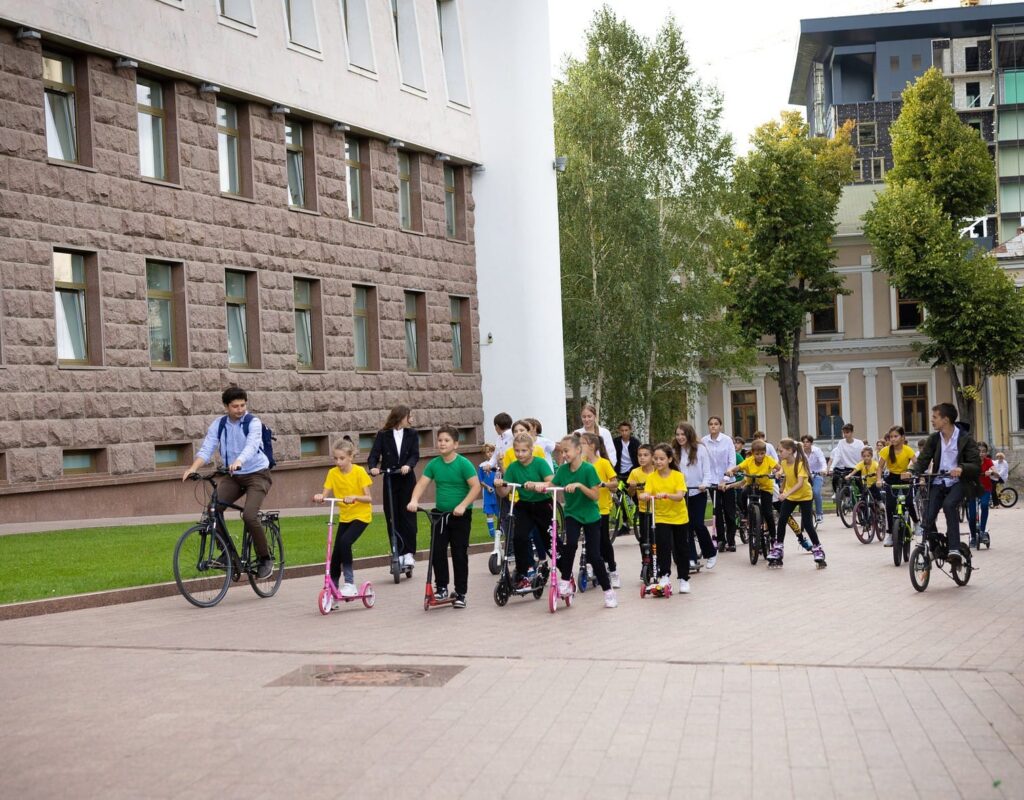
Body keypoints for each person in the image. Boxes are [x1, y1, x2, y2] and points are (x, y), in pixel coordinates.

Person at [183, 386, 274, 579]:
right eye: (235, 406)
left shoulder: (253, 423)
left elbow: (251, 446)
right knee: (213, 510)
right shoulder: (219, 424)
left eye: (242, 405)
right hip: (233, 475)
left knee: (249, 516)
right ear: (226, 406)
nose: (240, 409)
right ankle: (227, 554)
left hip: (257, 474)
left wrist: (239, 461)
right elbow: (207, 448)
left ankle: (265, 558)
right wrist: (193, 468)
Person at [536, 434, 617, 608]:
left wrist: (580, 486)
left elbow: (595, 495)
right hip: (572, 514)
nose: (563, 454)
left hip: (590, 516)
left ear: (578, 450)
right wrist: (539, 486)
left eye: (566, 451)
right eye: (562, 451)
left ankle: (608, 591)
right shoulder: (563, 470)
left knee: (595, 556)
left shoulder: (588, 470)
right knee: (570, 545)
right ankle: (565, 582)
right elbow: (553, 484)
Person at [407, 425, 481, 608]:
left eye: (446, 440)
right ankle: (441, 588)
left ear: (455, 444)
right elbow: (422, 484)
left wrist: (463, 505)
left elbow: (476, 487)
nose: (442, 443)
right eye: (440, 440)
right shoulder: (434, 464)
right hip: (440, 515)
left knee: (459, 553)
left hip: (460, 515)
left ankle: (461, 592)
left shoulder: (463, 464)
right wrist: (414, 500)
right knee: (437, 551)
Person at [902, 403, 981, 565]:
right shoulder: (934, 438)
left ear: (945, 419)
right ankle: (935, 547)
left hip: (958, 482)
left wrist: (961, 468)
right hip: (938, 481)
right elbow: (923, 460)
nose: (932, 420)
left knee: (949, 505)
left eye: (935, 417)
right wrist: (912, 472)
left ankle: (954, 548)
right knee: (927, 517)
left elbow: (976, 464)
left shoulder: (965, 438)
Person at [313, 438, 372, 600]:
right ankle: (331, 589)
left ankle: (350, 583)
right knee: (336, 554)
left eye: (342, 458)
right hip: (345, 517)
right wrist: (320, 496)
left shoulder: (359, 472)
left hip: (361, 516)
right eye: (335, 458)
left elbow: (369, 498)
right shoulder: (332, 473)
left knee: (345, 542)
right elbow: (325, 493)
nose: (338, 462)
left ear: (351, 457)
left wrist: (355, 497)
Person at [495, 432, 554, 587]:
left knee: (549, 541)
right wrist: (499, 486)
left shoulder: (540, 463)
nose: (520, 454)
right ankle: (523, 571)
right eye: (517, 451)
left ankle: (563, 569)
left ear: (531, 450)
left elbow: (552, 483)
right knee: (519, 537)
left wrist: (538, 484)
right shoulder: (513, 467)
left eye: (523, 451)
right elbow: (505, 492)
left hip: (542, 504)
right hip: (524, 505)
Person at [367, 405, 420, 568]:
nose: (411, 419)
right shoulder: (383, 435)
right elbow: (374, 454)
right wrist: (373, 468)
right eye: (408, 416)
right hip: (390, 478)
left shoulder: (412, 434)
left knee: (408, 515)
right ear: (400, 417)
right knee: (392, 515)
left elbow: (414, 454)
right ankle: (397, 551)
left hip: (406, 478)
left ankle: (409, 553)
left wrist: (408, 465)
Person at [639, 443, 690, 594]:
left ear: (669, 459)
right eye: (655, 459)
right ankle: (664, 575)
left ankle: (684, 578)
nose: (658, 462)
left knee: (681, 548)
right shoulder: (652, 478)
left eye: (662, 458)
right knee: (663, 547)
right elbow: (645, 493)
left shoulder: (677, 476)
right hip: (661, 517)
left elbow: (680, 496)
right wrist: (644, 495)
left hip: (679, 517)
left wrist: (667, 495)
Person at [771, 438, 826, 567]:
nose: (779, 453)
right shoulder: (784, 462)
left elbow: (800, 483)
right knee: (782, 519)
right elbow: (784, 474)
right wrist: (781, 483)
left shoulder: (800, 464)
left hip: (804, 496)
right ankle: (778, 548)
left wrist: (785, 494)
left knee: (807, 524)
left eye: (781, 451)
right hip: (791, 496)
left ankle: (818, 549)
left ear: (790, 451)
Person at [674, 422, 716, 570]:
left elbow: (707, 471)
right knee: (686, 527)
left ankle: (710, 553)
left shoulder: (700, 449)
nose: (680, 437)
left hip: (698, 492)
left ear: (689, 434)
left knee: (698, 524)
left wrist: (705, 483)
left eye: (682, 434)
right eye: (677, 434)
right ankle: (691, 557)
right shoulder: (674, 451)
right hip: (682, 493)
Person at [581, 432, 620, 589]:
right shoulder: (581, 464)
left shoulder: (603, 463)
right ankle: (590, 566)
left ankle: (612, 569)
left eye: (582, 443)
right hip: (586, 508)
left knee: (603, 541)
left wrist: (603, 484)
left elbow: (615, 484)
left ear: (591, 446)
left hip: (602, 508)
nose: (579, 446)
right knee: (589, 541)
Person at [725, 439, 776, 547]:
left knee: (768, 513)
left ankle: (773, 537)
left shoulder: (768, 459)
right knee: (743, 493)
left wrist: (778, 473)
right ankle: (746, 513)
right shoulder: (749, 460)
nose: (759, 456)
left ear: (765, 453)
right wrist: (731, 471)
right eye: (757, 454)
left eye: (762, 453)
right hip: (752, 486)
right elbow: (739, 467)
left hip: (765, 488)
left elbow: (779, 468)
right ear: (753, 453)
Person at [877, 425, 917, 547]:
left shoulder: (908, 450)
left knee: (909, 502)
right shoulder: (885, 450)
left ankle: (917, 523)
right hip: (892, 478)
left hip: (905, 477)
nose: (893, 439)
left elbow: (917, 463)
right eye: (891, 437)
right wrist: (879, 479)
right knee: (889, 506)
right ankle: (889, 534)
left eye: (896, 436)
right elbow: (879, 467)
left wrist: (912, 473)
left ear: (902, 437)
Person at [702, 416, 738, 551]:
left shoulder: (727, 440)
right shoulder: (704, 441)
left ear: (720, 426)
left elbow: (731, 462)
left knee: (729, 511)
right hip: (713, 482)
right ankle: (721, 539)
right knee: (717, 511)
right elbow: (704, 462)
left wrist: (725, 479)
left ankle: (731, 540)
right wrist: (708, 481)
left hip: (727, 482)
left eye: (716, 424)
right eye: (711, 424)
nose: (713, 426)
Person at [627, 443, 657, 563]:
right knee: (644, 539)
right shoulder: (635, 472)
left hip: (658, 510)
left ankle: (657, 562)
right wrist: (632, 487)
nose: (642, 458)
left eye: (645, 455)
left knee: (657, 538)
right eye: (640, 455)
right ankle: (645, 562)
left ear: (652, 457)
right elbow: (630, 493)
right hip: (644, 510)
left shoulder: (657, 471)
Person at [967, 441, 995, 546]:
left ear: (986, 452)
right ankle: (973, 537)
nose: (981, 454)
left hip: (985, 489)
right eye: (979, 451)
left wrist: (992, 472)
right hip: (972, 489)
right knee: (972, 515)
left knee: (984, 505)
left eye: (983, 451)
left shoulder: (988, 461)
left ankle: (982, 532)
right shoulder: (971, 461)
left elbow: (995, 471)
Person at [575, 403, 617, 469]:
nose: (586, 419)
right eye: (584, 417)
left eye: (589, 416)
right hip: (583, 470)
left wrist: (607, 468)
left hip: (602, 470)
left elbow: (611, 453)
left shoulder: (604, 432)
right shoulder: (577, 433)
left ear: (595, 416)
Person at [828, 424, 865, 499]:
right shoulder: (841, 442)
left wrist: (859, 466)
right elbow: (838, 455)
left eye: (847, 432)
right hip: (847, 468)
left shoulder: (859, 443)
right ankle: (847, 501)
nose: (845, 434)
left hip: (857, 468)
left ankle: (862, 503)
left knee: (860, 486)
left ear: (852, 432)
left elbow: (863, 456)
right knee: (846, 485)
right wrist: (832, 467)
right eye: (844, 433)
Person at [801, 435, 828, 525]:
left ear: (811, 443)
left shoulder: (817, 451)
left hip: (817, 475)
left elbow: (823, 461)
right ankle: (804, 511)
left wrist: (824, 470)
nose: (805, 444)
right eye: (804, 442)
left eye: (807, 442)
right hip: (804, 476)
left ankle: (819, 514)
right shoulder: (800, 452)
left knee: (816, 492)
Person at [478, 443, 498, 539]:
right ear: (484, 454)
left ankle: (500, 530)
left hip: (498, 492)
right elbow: (481, 480)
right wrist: (487, 487)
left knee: (499, 512)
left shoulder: (498, 465)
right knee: (489, 512)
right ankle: (492, 532)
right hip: (487, 492)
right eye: (487, 452)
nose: (490, 453)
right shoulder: (482, 466)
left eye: (491, 451)